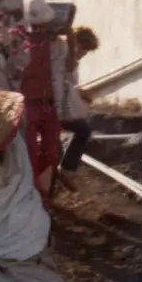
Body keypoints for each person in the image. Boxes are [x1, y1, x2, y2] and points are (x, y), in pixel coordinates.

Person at [18, 0, 67, 204]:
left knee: (50, 150)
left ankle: (43, 193)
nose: (40, 29)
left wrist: (70, 40)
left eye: (43, 25)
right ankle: (30, 192)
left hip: (49, 103)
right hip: (28, 103)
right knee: (28, 150)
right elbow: (17, 70)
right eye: (37, 25)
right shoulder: (20, 43)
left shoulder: (57, 45)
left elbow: (67, 69)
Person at [57, 26, 99, 191]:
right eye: (82, 48)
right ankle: (66, 169)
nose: (83, 53)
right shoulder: (64, 58)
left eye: (86, 51)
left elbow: (70, 85)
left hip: (62, 105)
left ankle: (64, 170)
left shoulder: (71, 61)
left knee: (81, 129)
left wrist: (81, 94)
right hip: (56, 106)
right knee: (83, 129)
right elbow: (63, 83)